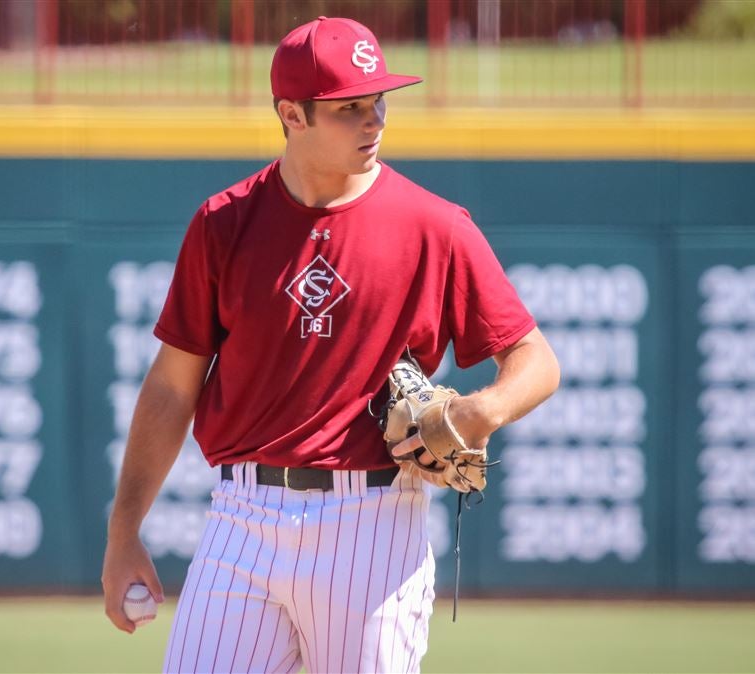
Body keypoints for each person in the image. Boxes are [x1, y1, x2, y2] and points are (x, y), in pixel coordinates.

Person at [102, 16, 560, 674]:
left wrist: (481, 412)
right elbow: (174, 387)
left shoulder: (434, 226)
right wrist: (124, 530)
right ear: (292, 114)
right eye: (349, 108)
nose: (374, 119)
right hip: (243, 516)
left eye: (379, 101)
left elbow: (536, 362)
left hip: (372, 523)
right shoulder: (224, 223)